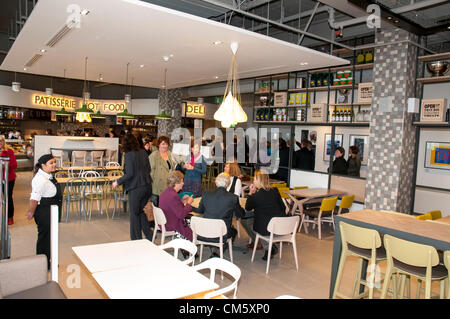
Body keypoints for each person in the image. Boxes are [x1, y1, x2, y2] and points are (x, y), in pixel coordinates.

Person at [112, 133, 153, 241]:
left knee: (134, 214)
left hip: (136, 188)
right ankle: (149, 234)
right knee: (140, 211)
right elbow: (149, 169)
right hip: (147, 187)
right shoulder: (143, 152)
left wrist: (117, 181)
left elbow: (130, 174)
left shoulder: (128, 155)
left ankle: (136, 240)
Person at [26, 154, 62, 269]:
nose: (54, 164)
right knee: (44, 239)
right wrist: (31, 212)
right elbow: (34, 198)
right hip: (44, 212)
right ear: (43, 165)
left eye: (54, 162)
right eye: (51, 163)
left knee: (48, 238)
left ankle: (47, 261)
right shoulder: (40, 179)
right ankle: (42, 264)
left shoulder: (48, 176)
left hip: (50, 211)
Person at [195, 173, 244, 256]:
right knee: (233, 231)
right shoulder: (232, 198)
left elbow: (200, 210)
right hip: (221, 234)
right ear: (228, 184)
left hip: (204, 232)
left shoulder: (206, 194)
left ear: (216, 182)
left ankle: (215, 249)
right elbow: (240, 214)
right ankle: (218, 251)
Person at [242, 170, 286, 260]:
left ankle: (267, 247)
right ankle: (268, 247)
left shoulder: (256, 196)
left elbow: (248, 208)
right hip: (280, 227)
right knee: (260, 222)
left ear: (259, 180)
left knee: (247, 221)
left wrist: (250, 193)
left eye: (254, 179)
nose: (253, 181)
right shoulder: (275, 190)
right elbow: (283, 207)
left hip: (267, 229)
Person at [158, 171, 194, 241]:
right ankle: (190, 244)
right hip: (171, 223)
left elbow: (172, 206)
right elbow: (181, 215)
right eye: (182, 181)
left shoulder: (167, 192)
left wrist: (182, 201)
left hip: (165, 221)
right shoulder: (173, 196)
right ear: (176, 183)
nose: (183, 183)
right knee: (195, 221)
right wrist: (188, 203)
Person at [149, 135, 175, 206]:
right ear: (158, 144)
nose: (165, 146)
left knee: (166, 207)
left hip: (168, 184)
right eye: (163, 144)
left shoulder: (169, 154)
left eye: (166, 144)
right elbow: (150, 172)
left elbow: (172, 167)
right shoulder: (154, 155)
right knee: (156, 209)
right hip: (157, 186)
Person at [0, 136, 17, 225]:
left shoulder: (9, 151)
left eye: (1, 141)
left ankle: (10, 217)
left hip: (8, 178)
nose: (0, 143)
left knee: (7, 197)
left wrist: (5, 165)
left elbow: (14, 165)